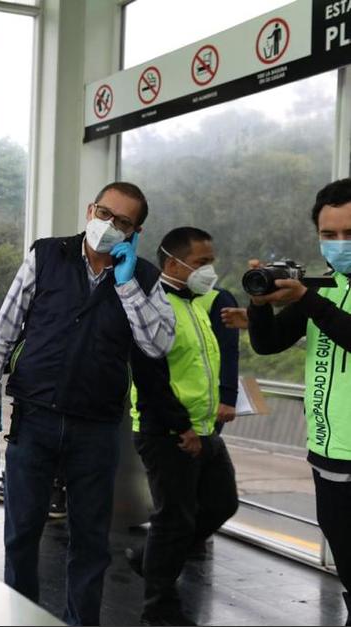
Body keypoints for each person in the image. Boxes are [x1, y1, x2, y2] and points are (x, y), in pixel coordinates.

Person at [0, 181, 176, 626]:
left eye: (123, 222)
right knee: (20, 534)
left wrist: (127, 286)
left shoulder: (144, 277)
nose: (109, 225)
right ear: (91, 209)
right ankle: (21, 619)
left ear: (135, 232)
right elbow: (2, 333)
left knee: (91, 541)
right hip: (34, 417)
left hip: (97, 426)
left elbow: (158, 344)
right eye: (105, 213)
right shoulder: (46, 256)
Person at [246, 178, 351, 626]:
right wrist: (259, 304)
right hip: (326, 452)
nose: (339, 243)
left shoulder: (316, 296)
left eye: (350, 233)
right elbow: (268, 343)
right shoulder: (325, 287)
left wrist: (308, 300)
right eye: (329, 234)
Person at [126, 227, 240, 625]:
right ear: (174, 264)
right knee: (174, 518)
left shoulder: (195, 304)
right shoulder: (156, 307)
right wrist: (180, 428)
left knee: (222, 503)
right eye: (201, 262)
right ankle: (158, 609)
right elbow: (151, 378)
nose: (210, 270)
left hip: (203, 428)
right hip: (168, 431)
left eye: (211, 261)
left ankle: (149, 558)